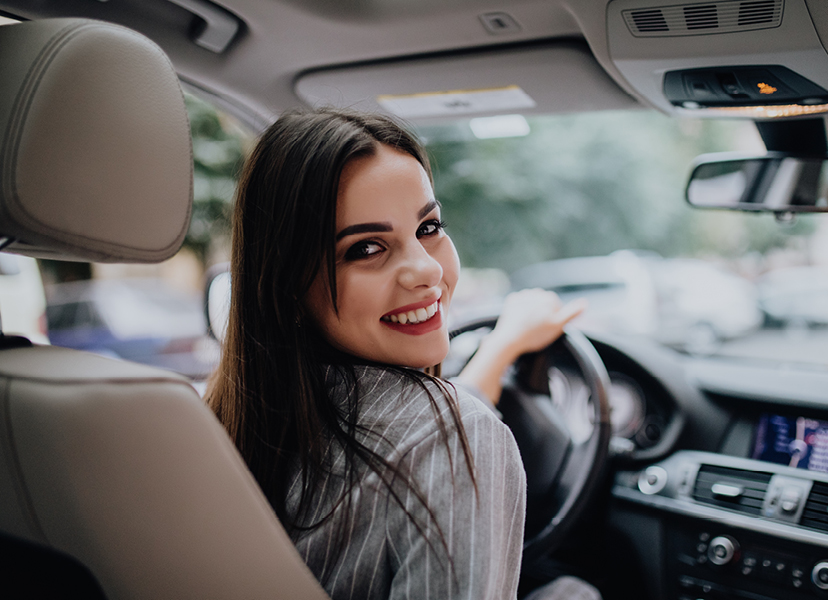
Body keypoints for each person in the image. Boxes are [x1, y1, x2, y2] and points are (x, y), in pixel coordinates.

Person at [205, 108, 598, 600]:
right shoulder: (457, 437)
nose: (426, 271)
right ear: (288, 286)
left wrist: (501, 349)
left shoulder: (222, 420)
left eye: (429, 227)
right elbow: (433, 441)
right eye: (367, 248)